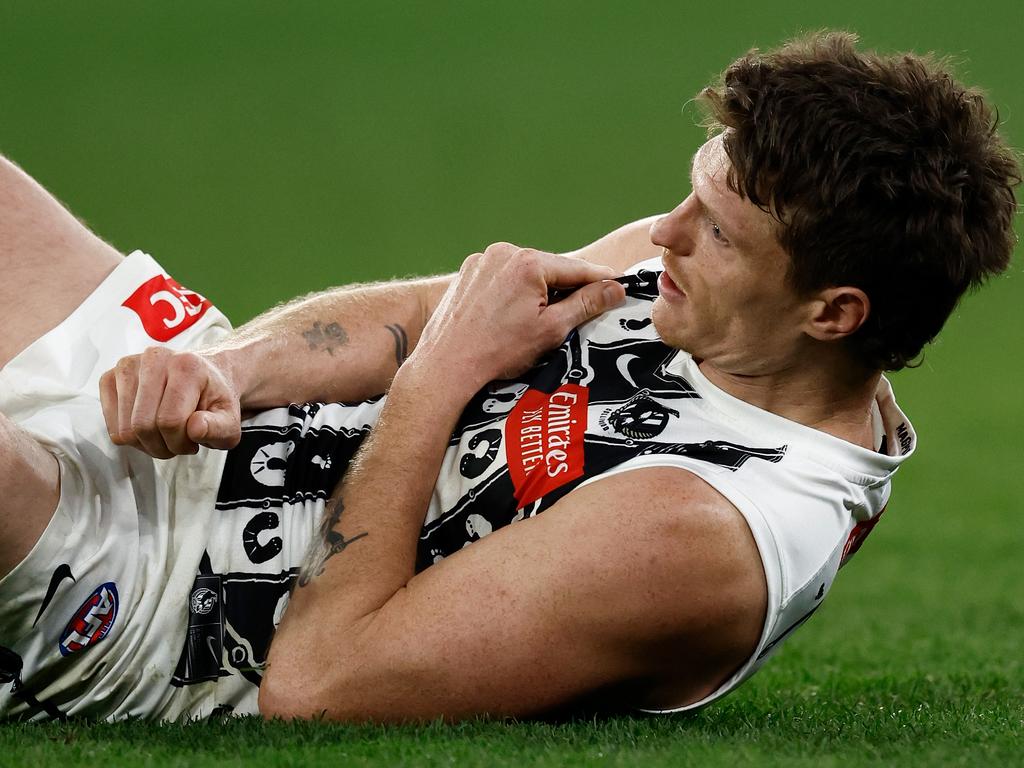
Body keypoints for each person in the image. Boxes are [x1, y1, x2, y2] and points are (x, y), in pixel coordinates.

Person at [0, 31, 1018, 722]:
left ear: (832, 313)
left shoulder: (707, 532)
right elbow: (422, 319)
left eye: (715, 230)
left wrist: (439, 381)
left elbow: (318, 686)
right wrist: (220, 371)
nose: (661, 237)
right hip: (203, 447)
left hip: (155, 595)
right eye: (690, 193)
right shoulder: (698, 291)